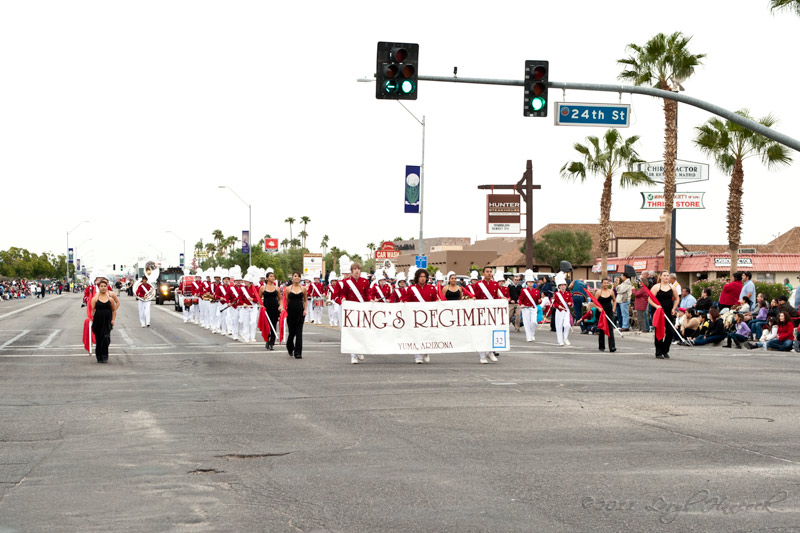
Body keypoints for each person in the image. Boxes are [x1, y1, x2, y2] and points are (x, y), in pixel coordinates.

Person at [403, 269, 439, 363]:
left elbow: (435, 299)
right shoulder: (411, 289)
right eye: (420, 277)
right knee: (417, 335)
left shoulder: (431, 288)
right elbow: (406, 300)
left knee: (427, 335)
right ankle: (418, 356)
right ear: (417, 278)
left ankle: (426, 351)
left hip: (428, 316)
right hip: (416, 316)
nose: (422, 279)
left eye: (424, 277)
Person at [339, 262, 370, 364]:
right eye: (355, 269)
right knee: (352, 332)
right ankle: (353, 355)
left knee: (361, 331)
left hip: (362, 309)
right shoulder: (346, 282)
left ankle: (360, 350)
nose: (357, 271)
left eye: (358, 269)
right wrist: (343, 299)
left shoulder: (365, 281)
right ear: (352, 271)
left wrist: (371, 301)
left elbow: (367, 295)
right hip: (351, 310)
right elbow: (343, 293)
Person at [646, 270, 679, 358]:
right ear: (660, 277)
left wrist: (673, 308)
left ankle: (665, 349)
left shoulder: (672, 287)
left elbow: (677, 299)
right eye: (664, 275)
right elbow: (650, 299)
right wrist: (656, 306)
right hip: (658, 311)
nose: (666, 277)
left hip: (668, 312)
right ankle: (658, 352)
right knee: (659, 331)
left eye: (667, 275)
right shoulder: (656, 287)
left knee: (670, 331)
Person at [474, 266, 501, 363]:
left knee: (491, 332)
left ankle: (490, 351)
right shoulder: (478, 284)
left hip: (492, 311)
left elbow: (496, 297)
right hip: (482, 311)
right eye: (487, 272)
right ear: (483, 274)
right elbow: (476, 297)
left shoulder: (495, 284)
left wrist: (502, 300)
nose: (489, 273)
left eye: (490, 271)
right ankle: (482, 356)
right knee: (482, 333)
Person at [90, 279, 116, 363]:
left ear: (107, 287)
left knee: (106, 338)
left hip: (107, 321)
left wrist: (113, 319)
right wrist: (91, 320)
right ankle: (99, 356)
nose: (103, 288)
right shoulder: (95, 299)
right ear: (99, 287)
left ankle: (105, 355)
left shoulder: (110, 299)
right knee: (99, 339)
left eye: (105, 286)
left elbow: (114, 310)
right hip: (98, 321)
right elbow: (92, 311)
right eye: (101, 286)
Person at [283, 272, 307, 358]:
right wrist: (284, 310)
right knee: (292, 332)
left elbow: (305, 300)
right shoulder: (288, 289)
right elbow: (286, 300)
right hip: (291, 312)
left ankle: (298, 352)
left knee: (299, 332)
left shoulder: (303, 288)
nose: (297, 278)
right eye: (295, 276)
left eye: (298, 276)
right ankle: (289, 346)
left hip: (300, 312)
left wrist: (305, 310)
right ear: (292, 278)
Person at [259, 268, 282, 350]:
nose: (273, 278)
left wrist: (280, 306)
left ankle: (272, 342)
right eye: (271, 276)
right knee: (267, 325)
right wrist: (261, 305)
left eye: (273, 276)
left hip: (275, 308)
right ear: (267, 278)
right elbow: (259, 298)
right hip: (266, 309)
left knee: (274, 325)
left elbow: (280, 299)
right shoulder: (262, 288)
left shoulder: (277, 288)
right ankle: (267, 339)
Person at [551, 272, 573, 347]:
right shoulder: (556, 294)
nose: (563, 286)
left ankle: (565, 338)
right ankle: (560, 340)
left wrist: (570, 304)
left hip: (566, 311)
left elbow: (571, 301)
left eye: (564, 285)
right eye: (561, 285)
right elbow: (555, 303)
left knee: (567, 325)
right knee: (559, 326)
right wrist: (558, 306)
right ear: (559, 286)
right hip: (559, 311)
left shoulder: (568, 294)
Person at [594, 278, 616, 352]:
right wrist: (598, 308)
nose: (606, 284)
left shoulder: (611, 292)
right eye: (604, 283)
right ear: (602, 284)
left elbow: (614, 300)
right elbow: (594, 302)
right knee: (602, 329)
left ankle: (612, 347)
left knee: (610, 328)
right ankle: (601, 346)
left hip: (609, 312)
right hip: (601, 312)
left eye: (607, 283)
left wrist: (613, 308)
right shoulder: (598, 292)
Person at [518, 270, 540, 342]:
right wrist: (521, 304)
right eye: (529, 282)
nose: (530, 283)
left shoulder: (536, 291)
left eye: (531, 282)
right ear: (527, 283)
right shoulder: (523, 290)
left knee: (534, 322)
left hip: (533, 308)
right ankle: (528, 337)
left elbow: (537, 301)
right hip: (526, 308)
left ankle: (532, 333)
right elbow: (520, 299)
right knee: (526, 323)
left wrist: (540, 301)